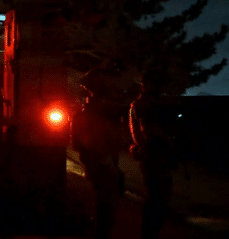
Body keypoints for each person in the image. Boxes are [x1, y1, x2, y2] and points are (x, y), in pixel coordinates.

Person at [72, 68, 126, 239]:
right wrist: (107, 162)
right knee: (105, 209)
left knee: (104, 208)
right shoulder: (93, 113)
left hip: (102, 163)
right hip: (102, 164)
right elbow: (90, 142)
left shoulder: (90, 112)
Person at [129, 83, 177, 239]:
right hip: (153, 154)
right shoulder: (143, 105)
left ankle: (151, 232)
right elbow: (142, 131)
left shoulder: (148, 104)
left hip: (156, 153)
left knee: (159, 197)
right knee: (156, 198)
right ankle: (149, 233)